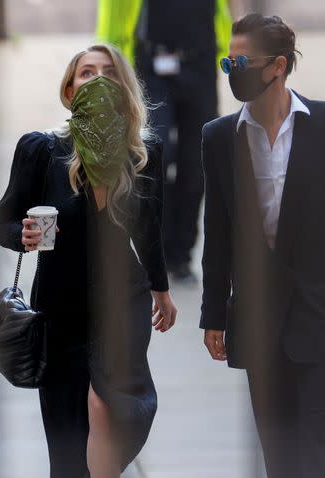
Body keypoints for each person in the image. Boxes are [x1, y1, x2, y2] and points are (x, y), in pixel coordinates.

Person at [199, 14, 325, 478]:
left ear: (277, 67)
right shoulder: (218, 138)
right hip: (258, 319)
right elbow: (220, 230)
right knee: (279, 452)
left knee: (320, 439)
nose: (233, 70)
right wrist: (214, 313)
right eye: (227, 61)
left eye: (242, 62)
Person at [0, 43, 177, 478]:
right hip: (61, 306)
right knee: (69, 427)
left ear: (123, 86)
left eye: (107, 73)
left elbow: (149, 229)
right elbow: (3, 223)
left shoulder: (143, 152)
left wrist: (161, 288)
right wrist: (24, 235)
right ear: (69, 90)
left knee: (105, 406)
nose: (95, 80)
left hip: (123, 303)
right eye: (85, 73)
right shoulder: (41, 150)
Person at [97, 0, 234, 281]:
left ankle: (180, 254)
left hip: (201, 62)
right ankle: (155, 248)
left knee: (197, 163)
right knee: (156, 155)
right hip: (149, 64)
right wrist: (106, 66)